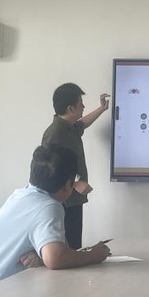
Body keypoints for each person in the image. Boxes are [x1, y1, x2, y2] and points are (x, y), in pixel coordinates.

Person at [0, 145, 110, 285]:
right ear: (68, 185)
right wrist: (95, 255)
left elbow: (57, 251)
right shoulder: (48, 206)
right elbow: (56, 259)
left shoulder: (20, 195)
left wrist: (40, 256)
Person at [42, 83, 109, 250]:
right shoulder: (56, 133)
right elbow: (49, 171)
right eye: (80, 103)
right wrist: (76, 184)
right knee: (68, 248)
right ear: (70, 108)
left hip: (73, 199)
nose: (83, 106)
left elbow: (83, 123)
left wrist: (102, 108)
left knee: (75, 245)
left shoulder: (69, 127)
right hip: (63, 202)